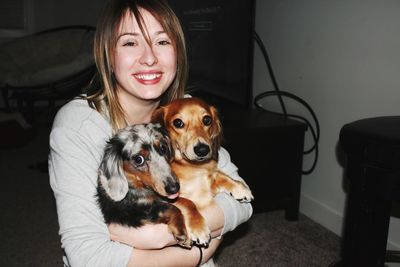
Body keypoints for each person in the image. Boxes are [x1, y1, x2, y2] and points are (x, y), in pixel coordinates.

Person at [48, 0, 253, 266]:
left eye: (162, 42)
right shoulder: (77, 126)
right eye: (130, 43)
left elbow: (243, 203)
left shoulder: (184, 111)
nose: (149, 57)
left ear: (178, 53)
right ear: (108, 55)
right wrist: (199, 250)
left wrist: (155, 236)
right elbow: (89, 257)